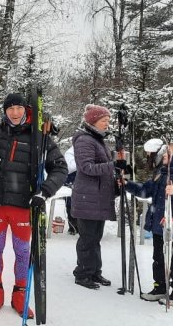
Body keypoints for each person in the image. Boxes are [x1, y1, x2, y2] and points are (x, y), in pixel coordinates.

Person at [0, 93, 67, 317]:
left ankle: (20, 296)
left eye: (19, 108)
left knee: (22, 252)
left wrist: (45, 191)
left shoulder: (39, 138)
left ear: (26, 111)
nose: (15, 113)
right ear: (4, 111)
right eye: (10, 108)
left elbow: (60, 168)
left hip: (24, 205)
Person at [126, 142, 173, 307]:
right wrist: (127, 185)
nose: (164, 154)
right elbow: (146, 190)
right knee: (158, 258)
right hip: (160, 226)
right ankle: (160, 287)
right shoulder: (161, 174)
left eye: (169, 152)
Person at [70, 104, 121, 290]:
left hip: (97, 198)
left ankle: (94, 271)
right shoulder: (85, 140)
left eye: (108, 120)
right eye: (104, 121)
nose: (107, 124)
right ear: (93, 122)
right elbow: (87, 167)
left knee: (95, 238)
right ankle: (82, 273)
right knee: (87, 239)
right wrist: (112, 165)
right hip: (88, 198)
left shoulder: (97, 140)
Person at [64, 146, 78, 235]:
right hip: (71, 180)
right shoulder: (70, 152)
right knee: (71, 204)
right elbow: (69, 167)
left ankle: (77, 227)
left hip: (79, 180)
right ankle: (73, 227)